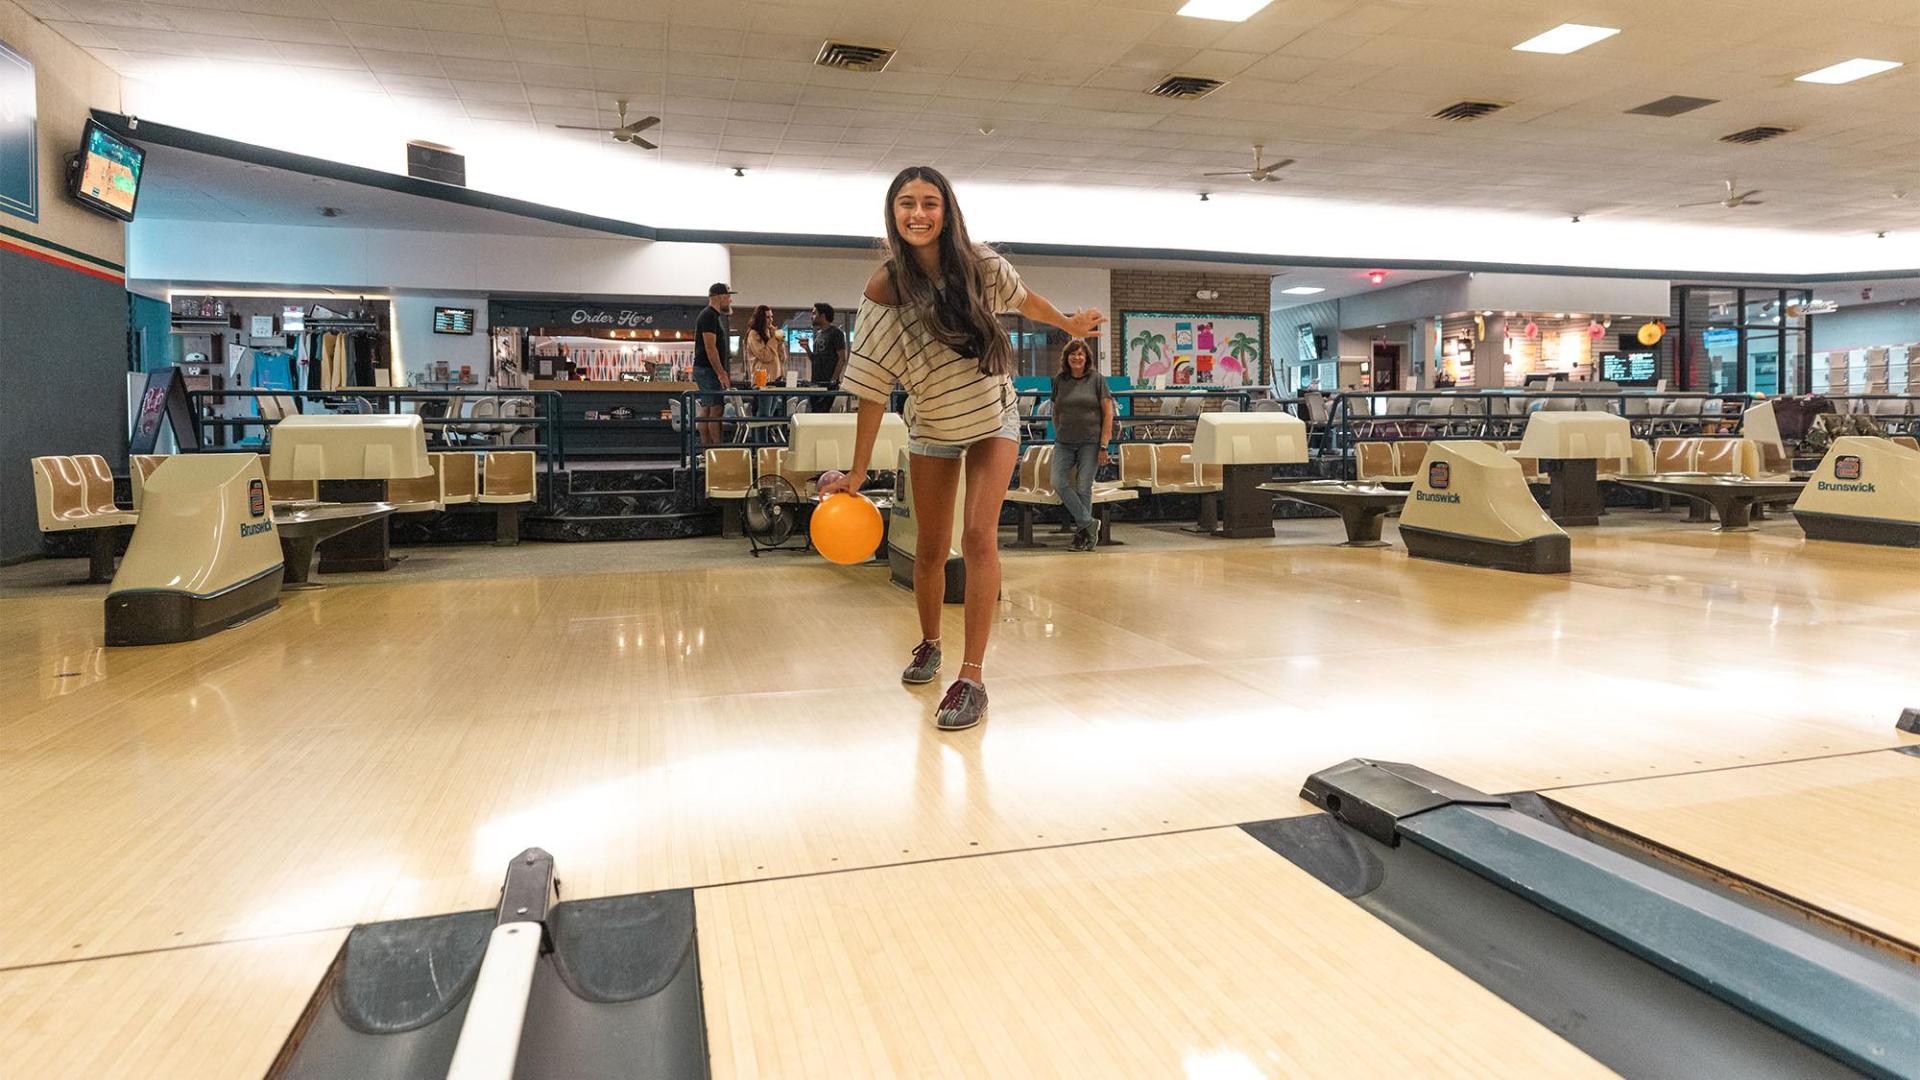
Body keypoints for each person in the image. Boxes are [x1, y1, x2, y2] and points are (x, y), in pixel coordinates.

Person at [819, 165, 1103, 732]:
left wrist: (1069, 323)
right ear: (892, 214)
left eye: (929, 202)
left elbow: (1026, 301)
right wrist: (856, 474)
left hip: (993, 417)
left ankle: (972, 678)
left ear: (946, 211)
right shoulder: (884, 290)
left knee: (976, 536)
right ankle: (930, 643)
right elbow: (872, 387)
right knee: (929, 545)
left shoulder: (980, 266)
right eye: (906, 203)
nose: (918, 214)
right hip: (931, 424)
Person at [1048, 339, 1114, 552]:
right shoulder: (1060, 380)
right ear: (1066, 358)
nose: (1077, 358)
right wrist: (1059, 430)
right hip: (1064, 442)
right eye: (1073, 354)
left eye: (1080, 354)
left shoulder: (1097, 380)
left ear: (1087, 358)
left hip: (1091, 442)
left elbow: (1108, 413)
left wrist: (1104, 445)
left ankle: (1082, 537)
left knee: (1084, 487)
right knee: (1058, 481)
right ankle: (1088, 523)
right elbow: (1056, 409)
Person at [693, 283, 733, 447]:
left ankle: (707, 450)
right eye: (728, 296)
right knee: (715, 409)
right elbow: (710, 348)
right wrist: (721, 373)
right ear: (720, 296)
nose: (730, 300)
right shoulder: (709, 315)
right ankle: (714, 451)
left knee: (708, 409)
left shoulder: (710, 315)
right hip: (707, 369)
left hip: (705, 369)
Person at [807, 302, 848, 412]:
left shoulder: (836, 333)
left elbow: (842, 358)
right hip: (815, 382)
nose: (812, 316)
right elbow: (814, 359)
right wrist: (806, 348)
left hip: (828, 383)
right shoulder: (818, 334)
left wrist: (833, 380)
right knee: (815, 413)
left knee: (824, 414)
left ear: (823, 316)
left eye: (814, 313)